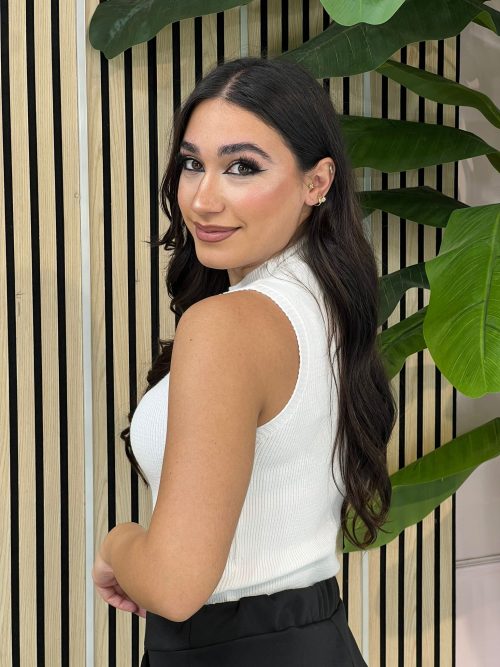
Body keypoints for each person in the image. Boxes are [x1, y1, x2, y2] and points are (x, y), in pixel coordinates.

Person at [92, 57, 397, 666]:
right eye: (192, 164)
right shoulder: (329, 301)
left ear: (317, 182)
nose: (203, 199)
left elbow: (174, 587)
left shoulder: (228, 326)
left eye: (241, 167)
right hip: (317, 637)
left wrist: (118, 544)